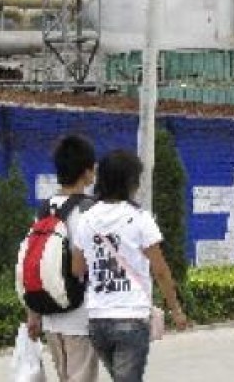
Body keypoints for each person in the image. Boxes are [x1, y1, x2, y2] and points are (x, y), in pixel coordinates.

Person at [71, 150, 189, 382]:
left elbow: (77, 269)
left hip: (97, 320)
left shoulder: (85, 219)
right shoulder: (140, 218)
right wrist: (175, 309)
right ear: (130, 182)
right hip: (131, 317)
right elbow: (161, 271)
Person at [27, 134, 100, 382]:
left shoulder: (44, 209)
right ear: (87, 172)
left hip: (50, 314)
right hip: (79, 316)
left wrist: (33, 313)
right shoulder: (89, 211)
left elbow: (34, 263)